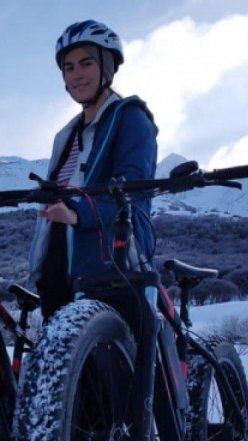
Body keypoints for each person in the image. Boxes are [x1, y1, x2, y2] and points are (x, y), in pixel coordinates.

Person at [28, 20, 159, 319]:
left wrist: (78, 213)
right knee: (58, 348)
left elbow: (135, 189)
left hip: (110, 261)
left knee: (110, 348)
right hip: (59, 262)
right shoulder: (67, 135)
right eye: (69, 67)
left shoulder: (130, 117)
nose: (77, 75)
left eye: (86, 63)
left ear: (107, 67)